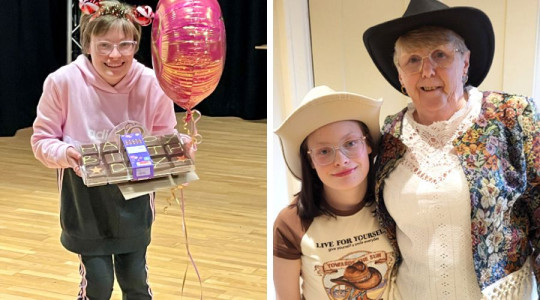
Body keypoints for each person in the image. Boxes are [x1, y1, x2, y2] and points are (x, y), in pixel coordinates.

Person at [362, 0, 540, 299]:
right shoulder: (390, 135)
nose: (427, 71)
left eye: (440, 55)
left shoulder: (511, 116)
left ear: (465, 63)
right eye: (413, 60)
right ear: (401, 77)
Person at [31, 1, 186, 298]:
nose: (115, 55)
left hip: (135, 198)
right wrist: (65, 154)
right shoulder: (62, 82)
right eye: (104, 45)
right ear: (88, 44)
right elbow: (42, 140)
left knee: (136, 280)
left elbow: (166, 136)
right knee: (98, 284)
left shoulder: (153, 84)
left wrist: (179, 148)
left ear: (136, 45)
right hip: (84, 199)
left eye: (125, 45)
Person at [273, 85, 397, 299]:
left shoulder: (395, 203)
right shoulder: (290, 222)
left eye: (350, 143)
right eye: (324, 151)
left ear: (368, 145)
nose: (341, 160)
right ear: (310, 160)